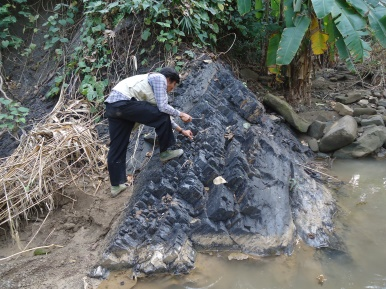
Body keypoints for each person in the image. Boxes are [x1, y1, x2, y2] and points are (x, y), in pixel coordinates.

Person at [104, 67, 194, 197]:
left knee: (118, 145)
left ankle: (116, 186)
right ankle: (166, 152)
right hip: (124, 103)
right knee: (162, 115)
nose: (171, 89)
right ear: (169, 79)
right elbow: (163, 110)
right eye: (173, 85)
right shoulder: (159, 78)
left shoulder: (147, 90)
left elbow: (161, 115)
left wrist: (181, 130)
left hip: (113, 107)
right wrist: (181, 114)